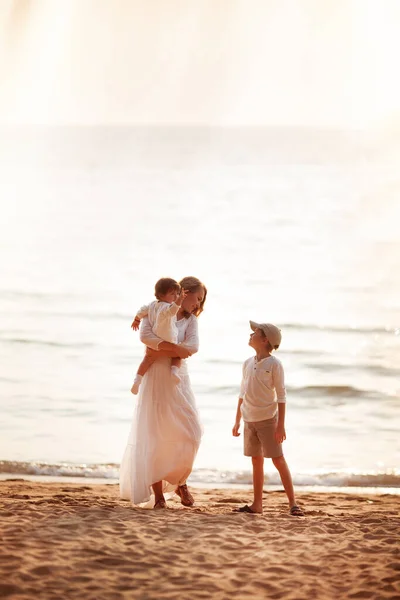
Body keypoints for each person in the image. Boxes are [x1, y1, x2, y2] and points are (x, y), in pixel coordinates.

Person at [120, 276, 207, 509]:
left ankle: (180, 481)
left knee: (191, 432)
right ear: (184, 292)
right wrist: (175, 350)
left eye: (201, 301)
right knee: (154, 435)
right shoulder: (154, 309)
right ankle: (158, 495)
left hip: (178, 379)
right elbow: (145, 337)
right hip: (156, 377)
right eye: (197, 298)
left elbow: (193, 348)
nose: (198, 304)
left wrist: (163, 351)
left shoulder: (190, 321)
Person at [232, 321, 304, 516]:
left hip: (268, 420)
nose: (250, 335)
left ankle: (293, 503)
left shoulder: (274, 364)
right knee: (256, 460)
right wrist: (237, 419)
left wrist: (280, 426)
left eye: (254, 333)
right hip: (249, 419)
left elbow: (281, 396)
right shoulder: (247, 363)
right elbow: (242, 393)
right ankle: (257, 505)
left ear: (264, 340)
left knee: (278, 459)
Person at [130, 277, 188, 394]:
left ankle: (137, 380)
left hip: (156, 338)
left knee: (147, 359)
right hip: (168, 338)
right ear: (161, 295)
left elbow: (142, 310)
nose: (175, 297)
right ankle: (174, 372)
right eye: (173, 294)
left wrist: (137, 319)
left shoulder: (152, 305)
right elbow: (172, 311)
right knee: (178, 355)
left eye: (177, 294)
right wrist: (180, 300)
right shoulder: (166, 307)